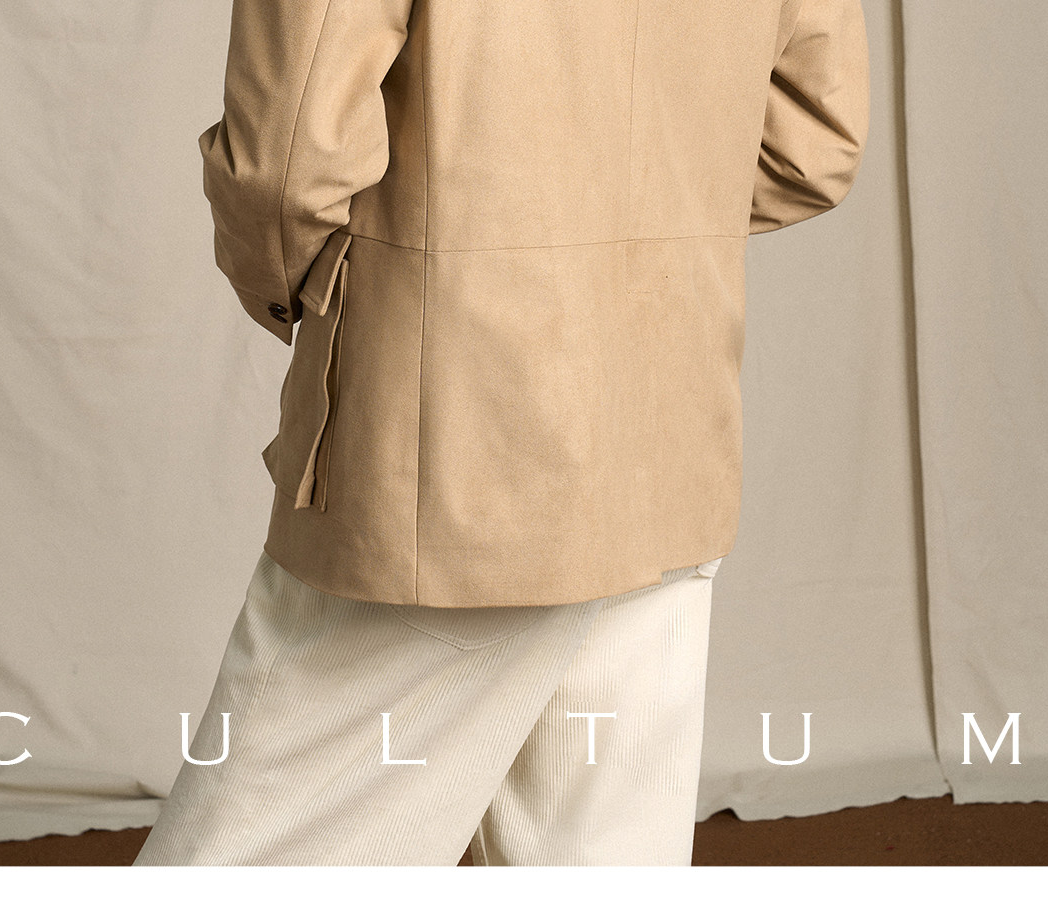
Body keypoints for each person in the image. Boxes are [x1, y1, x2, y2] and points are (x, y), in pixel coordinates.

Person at [133, 0, 868, 866]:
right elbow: (813, 141)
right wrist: (643, 232)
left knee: (257, 851)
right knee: (599, 856)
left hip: (453, 429)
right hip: (665, 421)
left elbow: (285, 164)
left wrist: (303, 284)